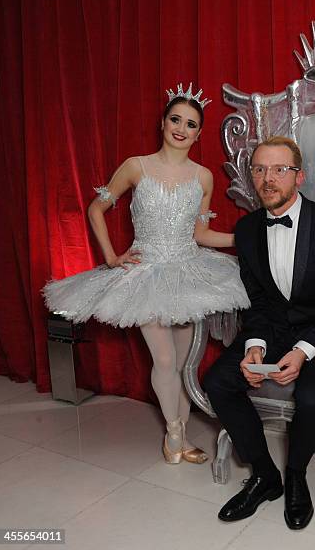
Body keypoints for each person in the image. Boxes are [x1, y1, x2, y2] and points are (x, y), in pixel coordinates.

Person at [43, 83, 250, 466]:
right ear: (163, 122)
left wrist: (247, 238)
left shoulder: (203, 177)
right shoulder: (136, 166)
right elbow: (95, 209)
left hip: (189, 271)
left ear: (199, 133)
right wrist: (110, 256)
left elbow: (200, 234)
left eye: (190, 124)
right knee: (166, 360)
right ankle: (173, 434)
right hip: (147, 274)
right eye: (176, 119)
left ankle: (183, 436)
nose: (181, 129)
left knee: (187, 362)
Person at [202, 136, 315, 530]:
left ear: (299, 176)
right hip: (271, 329)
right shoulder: (248, 228)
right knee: (219, 381)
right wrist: (254, 347)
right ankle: (264, 476)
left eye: (279, 169)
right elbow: (257, 301)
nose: (268, 179)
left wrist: (304, 351)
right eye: (259, 169)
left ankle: (296, 477)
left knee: (310, 397)